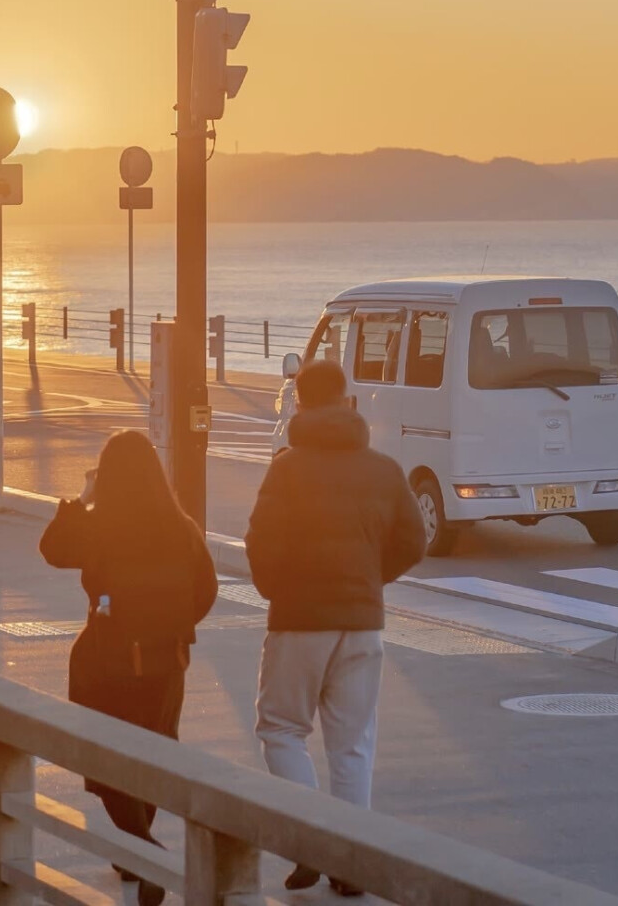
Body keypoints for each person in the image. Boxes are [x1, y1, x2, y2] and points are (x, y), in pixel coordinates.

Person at [245, 359, 426, 897]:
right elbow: (413, 542)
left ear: (299, 401)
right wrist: (371, 580)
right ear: (347, 401)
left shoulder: (287, 467)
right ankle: (351, 864)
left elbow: (260, 543)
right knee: (352, 746)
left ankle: (312, 843)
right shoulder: (384, 468)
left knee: (280, 729)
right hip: (363, 621)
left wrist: (278, 589)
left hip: (300, 620)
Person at [39, 430, 217, 906]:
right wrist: (169, 625)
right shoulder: (182, 527)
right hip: (166, 661)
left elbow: (52, 548)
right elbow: (207, 592)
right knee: (153, 752)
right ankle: (137, 852)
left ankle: (143, 851)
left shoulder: (102, 524)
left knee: (104, 757)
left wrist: (82, 497)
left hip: (106, 661)